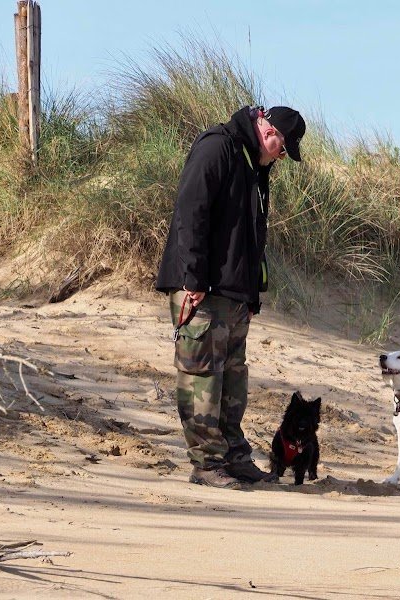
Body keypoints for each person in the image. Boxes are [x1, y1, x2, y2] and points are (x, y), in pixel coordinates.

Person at [156, 105, 306, 489]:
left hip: (235, 292)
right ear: (270, 132)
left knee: (232, 378)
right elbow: (191, 213)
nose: (280, 157)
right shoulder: (217, 147)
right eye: (282, 149)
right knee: (202, 375)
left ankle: (234, 457)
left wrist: (252, 293)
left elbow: (252, 235)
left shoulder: (255, 166)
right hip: (202, 287)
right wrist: (193, 278)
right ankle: (206, 464)